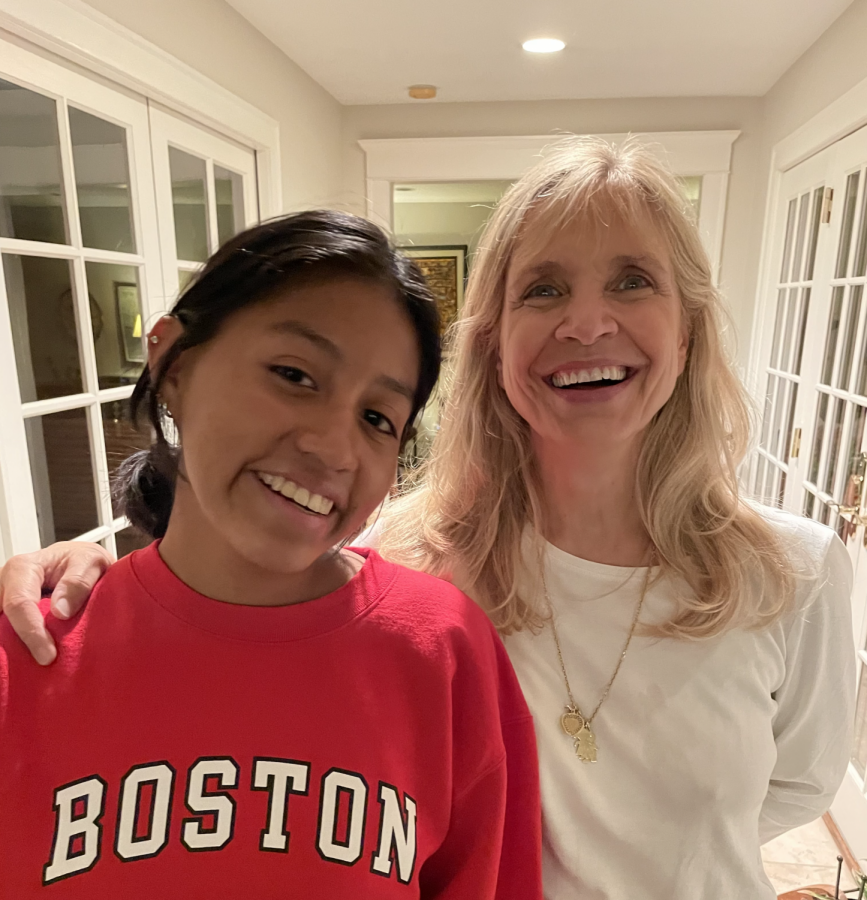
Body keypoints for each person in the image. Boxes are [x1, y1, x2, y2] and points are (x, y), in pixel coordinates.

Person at [0, 138, 855, 899]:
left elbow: (801, 787)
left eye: (633, 280)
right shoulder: (406, 559)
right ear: (494, 341)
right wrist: (90, 586)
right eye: (543, 289)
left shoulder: (796, 569)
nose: (587, 321)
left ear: (690, 326)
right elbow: (227, 622)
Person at [0, 211, 542, 898]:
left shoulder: (442, 652)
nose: (333, 447)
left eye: (377, 419)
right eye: (294, 374)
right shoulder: (28, 655)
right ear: (172, 363)